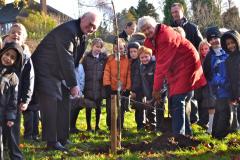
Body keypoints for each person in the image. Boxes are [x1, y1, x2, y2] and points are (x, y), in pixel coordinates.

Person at [31, 11, 101, 151]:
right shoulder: (68, 31)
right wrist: (73, 83)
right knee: (52, 102)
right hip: (44, 70)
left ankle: (63, 138)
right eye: (90, 24)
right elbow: (66, 57)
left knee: (64, 102)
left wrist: (70, 81)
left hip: (59, 72)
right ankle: (51, 142)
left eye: (95, 27)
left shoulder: (82, 35)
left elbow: (74, 60)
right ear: (82, 19)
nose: (92, 28)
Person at [138, 16, 206, 136]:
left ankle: (178, 136)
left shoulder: (165, 36)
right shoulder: (154, 38)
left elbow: (161, 65)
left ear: (155, 24)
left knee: (178, 99)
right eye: (144, 30)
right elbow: (160, 60)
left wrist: (156, 89)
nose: (147, 31)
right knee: (177, 98)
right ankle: (187, 134)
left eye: (148, 28)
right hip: (176, 67)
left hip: (186, 63)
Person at [2, 23, 34, 160]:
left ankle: (15, 154)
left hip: (15, 99)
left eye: (19, 33)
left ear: (24, 39)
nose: (16, 34)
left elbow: (29, 79)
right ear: (8, 34)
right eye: (13, 32)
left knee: (13, 129)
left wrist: (26, 99)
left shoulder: (26, 57)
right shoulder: (2, 50)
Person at [203, 26, 231, 139]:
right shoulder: (210, 56)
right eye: (211, 39)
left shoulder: (227, 51)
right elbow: (208, 73)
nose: (214, 41)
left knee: (223, 111)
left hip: (230, 86)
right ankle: (220, 135)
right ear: (209, 41)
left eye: (216, 38)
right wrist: (219, 82)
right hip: (218, 89)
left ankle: (216, 134)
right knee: (223, 112)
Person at [0, 42, 23, 160]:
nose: (8, 58)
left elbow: (13, 101)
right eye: (7, 54)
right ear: (2, 52)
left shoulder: (13, 78)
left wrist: (10, 117)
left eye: (12, 57)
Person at [103, 38, 131, 130]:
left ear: (124, 48)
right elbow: (106, 72)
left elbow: (129, 75)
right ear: (113, 49)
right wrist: (107, 85)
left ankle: (120, 126)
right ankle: (110, 126)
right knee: (110, 109)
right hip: (111, 89)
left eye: (121, 48)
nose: (118, 50)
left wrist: (127, 88)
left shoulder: (127, 60)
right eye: (116, 48)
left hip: (122, 90)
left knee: (121, 109)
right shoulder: (110, 59)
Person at [81, 38, 107, 132]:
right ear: (92, 46)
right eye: (96, 46)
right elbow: (82, 71)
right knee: (88, 107)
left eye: (100, 47)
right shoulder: (86, 58)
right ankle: (88, 126)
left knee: (98, 108)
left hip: (99, 87)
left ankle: (97, 126)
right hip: (88, 86)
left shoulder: (103, 59)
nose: (98, 49)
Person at [221, 30, 240, 131]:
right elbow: (230, 79)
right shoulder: (228, 60)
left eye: (233, 42)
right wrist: (233, 96)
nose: (231, 45)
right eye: (228, 44)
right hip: (236, 94)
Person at [128, 42, 144, 130]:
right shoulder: (132, 61)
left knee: (139, 107)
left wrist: (133, 90)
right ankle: (140, 124)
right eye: (131, 52)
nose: (133, 54)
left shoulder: (138, 62)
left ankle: (140, 125)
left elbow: (137, 77)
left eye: (135, 51)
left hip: (139, 89)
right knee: (138, 107)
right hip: (136, 88)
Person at [70, 63, 85, 134]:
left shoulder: (80, 66)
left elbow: (82, 78)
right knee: (70, 110)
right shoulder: (68, 63)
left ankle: (73, 126)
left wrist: (80, 89)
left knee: (77, 109)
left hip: (78, 91)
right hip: (69, 91)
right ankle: (68, 127)